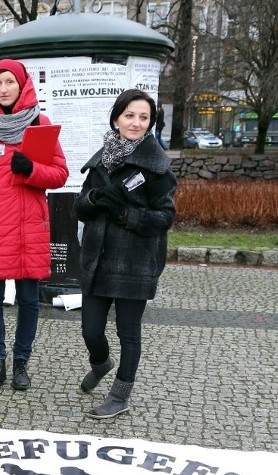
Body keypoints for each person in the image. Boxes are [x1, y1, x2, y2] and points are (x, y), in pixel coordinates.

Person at [0, 59, 69, 393]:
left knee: (29, 300)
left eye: (10, 82)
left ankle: (21, 364)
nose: (4, 89)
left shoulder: (39, 123)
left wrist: (31, 169)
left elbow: (60, 174)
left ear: (22, 85)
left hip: (26, 228)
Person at [73, 88, 176, 419]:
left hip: (135, 263)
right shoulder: (101, 160)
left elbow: (165, 218)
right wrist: (93, 201)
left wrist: (126, 214)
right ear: (116, 118)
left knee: (128, 333)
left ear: (150, 123)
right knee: (91, 329)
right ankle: (102, 363)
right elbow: (79, 206)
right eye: (129, 115)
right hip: (98, 260)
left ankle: (120, 395)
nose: (135, 122)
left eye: (143, 117)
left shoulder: (157, 168)